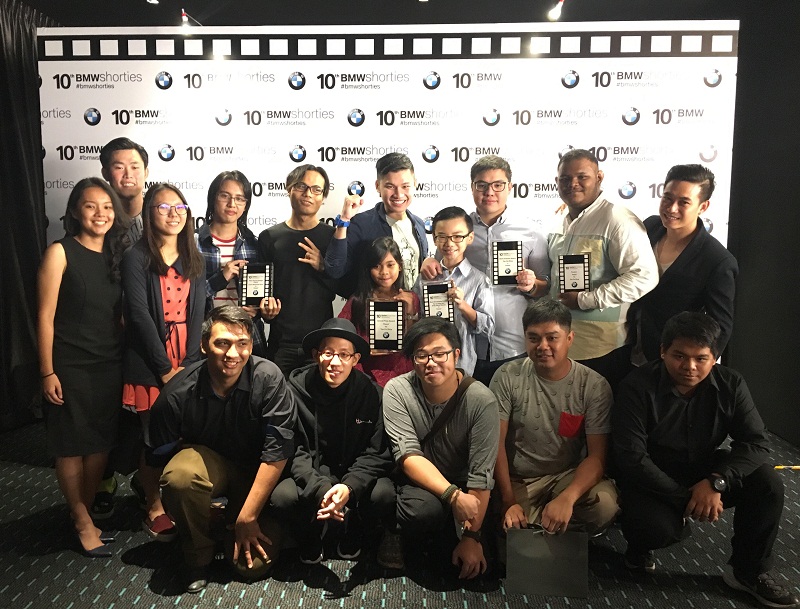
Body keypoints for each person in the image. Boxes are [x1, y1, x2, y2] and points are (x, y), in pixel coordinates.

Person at [613, 312, 798, 608]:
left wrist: (716, 482)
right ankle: (638, 548)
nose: (689, 367)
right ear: (662, 351)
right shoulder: (637, 385)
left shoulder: (731, 384)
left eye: (701, 358)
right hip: (650, 475)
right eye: (679, 356)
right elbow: (631, 456)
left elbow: (756, 443)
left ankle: (748, 571)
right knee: (656, 528)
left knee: (768, 483)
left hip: (705, 468)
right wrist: (686, 497)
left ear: (715, 357)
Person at [147, 306, 297, 593]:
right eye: (222, 343)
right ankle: (197, 553)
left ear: (252, 345)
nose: (232, 354)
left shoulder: (269, 378)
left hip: (259, 475)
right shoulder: (177, 394)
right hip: (211, 467)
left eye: (242, 344)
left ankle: (230, 523)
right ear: (204, 345)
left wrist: (247, 516)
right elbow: (153, 457)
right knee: (179, 476)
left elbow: (277, 452)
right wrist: (159, 506)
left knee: (251, 568)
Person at [37, 178, 130, 557]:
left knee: (99, 445)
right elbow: (44, 317)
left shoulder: (118, 256)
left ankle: (84, 511)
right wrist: (47, 371)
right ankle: (80, 519)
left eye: (107, 207)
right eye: (91, 206)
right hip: (68, 364)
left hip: (109, 363)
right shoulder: (59, 253)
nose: (100, 213)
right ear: (75, 211)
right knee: (71, 447)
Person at [272, 318, 397, 567]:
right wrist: (319, 487)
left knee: (384, 493)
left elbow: (376, 453)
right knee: (281, 496)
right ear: (316, 355)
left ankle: (354, 531)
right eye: (328, 353)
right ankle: (309, 536)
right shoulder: (294, 391)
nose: (335, 362)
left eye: (344, 354)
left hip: (354, 472)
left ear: (355, 359)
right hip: (313, 471)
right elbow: (293, 449)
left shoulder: (372, 394)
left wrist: (349, 487)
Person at [383, 317, 500, 579]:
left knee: (484, 568)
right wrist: (453, 496)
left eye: (439, 354)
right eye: (421, 355)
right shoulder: (398, 390)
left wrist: (472, 536)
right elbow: (409, 455)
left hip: (464, 483)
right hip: (421, 483)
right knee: (424, 514)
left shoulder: (481, 400)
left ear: (456, 354)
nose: (431, 362)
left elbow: (481, 473)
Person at [121, 183, 205, 543]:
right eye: (163, 206)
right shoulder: (135, 256)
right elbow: (138, 315)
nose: (173, 212)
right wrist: (165, 369)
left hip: (187, 358)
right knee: (155, 439)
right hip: (150, 360)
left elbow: (199, 312)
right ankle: (153, 505)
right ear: (148, 212)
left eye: (180, 206)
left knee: (184, 435)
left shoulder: (193, 255)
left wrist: (187, 366)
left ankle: (167, 494)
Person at [490, 299, 617, 537]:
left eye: (552, 337)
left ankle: (552, 524)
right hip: (518, 479)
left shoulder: (593, 385)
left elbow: (597, 456)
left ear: (569, 339)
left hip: (565, 475)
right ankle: (547, 528)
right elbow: (495, 445)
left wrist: (568, 499)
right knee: (512, 533)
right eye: (534, 337)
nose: (542, 346)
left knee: (604, 505)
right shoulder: (507, 376)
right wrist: (508, 501)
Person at [420, 155, 549, 386]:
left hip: (512, 342)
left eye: (498, 185)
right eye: (482, 185)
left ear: (510, 187)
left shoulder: (531, 231)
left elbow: (545, 287)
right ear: (472, 188)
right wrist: (427, 261)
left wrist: (532, 285)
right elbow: (440, 266)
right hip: (466, 345)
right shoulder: (459, 228)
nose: (490, 192)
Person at [548, 148, 658, 390]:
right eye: (565, 179)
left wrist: (587, 300)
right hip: (563, 347)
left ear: (599, 178)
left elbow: (644, 276)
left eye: (581, 177)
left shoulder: (618, 219)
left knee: (598, 424)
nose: (572, 184)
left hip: (603, 350)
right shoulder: (559, 220)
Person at [627, 164, 738, 365]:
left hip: (670, 364)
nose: (672, 208)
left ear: (703, 207)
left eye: (683, 202)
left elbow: (720, 327)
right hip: (627, 350)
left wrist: (692, 369)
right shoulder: (650, 227)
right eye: (667, 198)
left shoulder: (717, 260)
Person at [258, 164, 340, 375]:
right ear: (289, 189)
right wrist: (265, 311)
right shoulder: (269, 237)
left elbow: (346, 288)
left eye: (316, 189)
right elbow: (262, 291)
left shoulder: (333, 237)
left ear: (323, 197)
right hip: (280, 344)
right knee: (277, 404)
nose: (308, 194)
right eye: (302, 186)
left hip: (320, 345)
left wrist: (324, 266)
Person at [324, 152, 428, 296]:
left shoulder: (419, 224)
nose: (398, 194)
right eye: (390, 186)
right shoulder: (361, 224)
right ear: (378, 186)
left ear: (415, 184)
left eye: (405, 186)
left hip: (413, 313)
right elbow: (334, 269)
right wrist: (344, 220)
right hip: (376, 314)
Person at [413, 206, 494, 376]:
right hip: (428, 363)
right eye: (442, 236)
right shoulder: (425, 277)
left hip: (462, 365)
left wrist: (463, 306)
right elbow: (415, 318)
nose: (449, 243)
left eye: (457, 236)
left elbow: (488, 328)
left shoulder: (479, 280)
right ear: (434, 239)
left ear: (470, 237)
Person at [196, 170, 268, 357]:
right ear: (213, 198)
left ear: (246, 205)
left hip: (246, 335)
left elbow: (261, 294)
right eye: (224, 196)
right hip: (206, 336)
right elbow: (186, 299)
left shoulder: (254, 243)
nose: (232, 204)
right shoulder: (193, 242)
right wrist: (220, 278)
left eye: (239, 199)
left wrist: (257, 310)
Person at [338, 237, 419, 387]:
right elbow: (340, 336)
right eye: (377, 266)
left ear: (400, 266)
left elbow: (417, 341)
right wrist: (364, 349)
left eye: (390, 265)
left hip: (405, 375)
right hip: (368, 375)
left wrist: (410, 311)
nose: (384, 272)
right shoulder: (358, 301)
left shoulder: (411, 298)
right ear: (368, 269)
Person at [100, 137, 149, 244]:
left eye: (135, 167)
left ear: (146, 172)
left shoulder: (160, 216)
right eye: (119, 168)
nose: (128, 175)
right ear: (105, 173)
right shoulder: (97, 218)